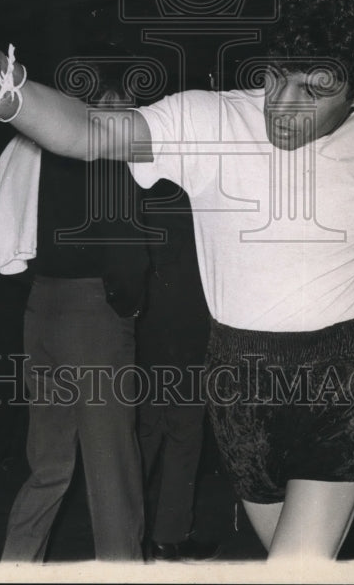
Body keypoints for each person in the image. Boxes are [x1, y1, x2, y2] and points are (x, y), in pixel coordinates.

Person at [0, 0, 354, 563]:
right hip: (238, 391)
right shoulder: (211, 121)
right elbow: (89, 133)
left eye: (313, 90)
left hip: (338, 383)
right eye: (277, 76)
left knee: (295, 569)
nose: (282, 105)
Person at [0, 67, 150, 563]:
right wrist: (131, 306)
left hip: (40, 308)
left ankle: (14, 566)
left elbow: (9, 241)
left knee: (49, 465)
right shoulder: (103, 156)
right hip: (91, 315)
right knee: (112, 469)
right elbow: (126, 253)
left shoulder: (26, 148)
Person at [136, 179, 219, 562]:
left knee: (146, 430)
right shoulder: (196, 189)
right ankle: (167, 537)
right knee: (184, 433)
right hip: (187, 323)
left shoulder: (139, 186)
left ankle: (130, 532)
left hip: (147, 324)